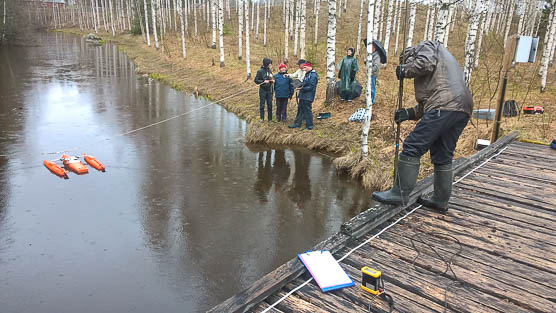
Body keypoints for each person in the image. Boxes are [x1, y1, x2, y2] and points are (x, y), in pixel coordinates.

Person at [372, 40, 473, 213]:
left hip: (445, 106)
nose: (408, 65)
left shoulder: (425, 47)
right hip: (462, 108)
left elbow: (424, 64)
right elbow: (432, 100)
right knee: (443, 154)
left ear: (410, 55)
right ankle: (440, 201)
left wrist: (405, 70)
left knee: (412, 146)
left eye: (407, 61)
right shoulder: (444, 62)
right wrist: (409, 113)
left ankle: (399, 194)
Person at [289, 62, 318, 130]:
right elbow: (304, 83)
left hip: (308, 96)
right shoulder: (307, 74)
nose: (304, 69)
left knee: (307, 111)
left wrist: (301, 88)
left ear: (309, 67)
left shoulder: (313, 75)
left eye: (305, 67)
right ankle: (297, 124)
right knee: (300, 109)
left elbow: (311, 87)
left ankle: (309, 126)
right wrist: (297, 84)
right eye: (303, 67)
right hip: (302, 95)